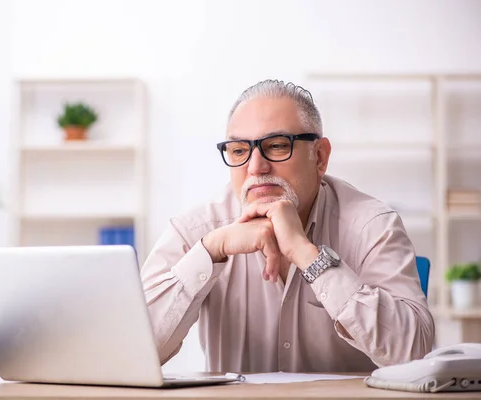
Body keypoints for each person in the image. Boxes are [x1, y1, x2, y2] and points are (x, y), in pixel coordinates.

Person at [140, 79, 435, 373]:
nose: (255, 167)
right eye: (239, 151)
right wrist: (210, 251)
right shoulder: (196, 230)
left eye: (277, 146)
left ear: (319, 157)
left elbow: (413, 354)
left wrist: (308, 255)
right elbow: (134, 352)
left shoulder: (373, 226)